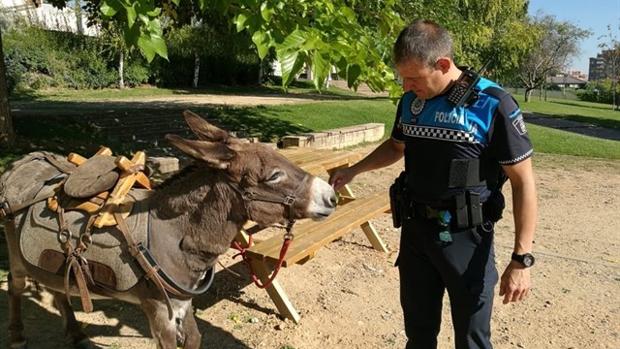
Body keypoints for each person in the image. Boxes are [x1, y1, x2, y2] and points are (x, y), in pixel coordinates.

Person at [329, 20, 537, 349]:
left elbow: (523, 181)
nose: (405, 86)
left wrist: (521, 258)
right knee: (419, 333)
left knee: (472, 339)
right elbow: (397, 146)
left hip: (466, 239)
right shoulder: (412, 102)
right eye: (403, 78)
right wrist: (355, 170)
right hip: (416, 234)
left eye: (412, 78)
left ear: (442, 64)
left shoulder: (492, 104)